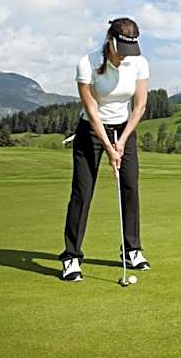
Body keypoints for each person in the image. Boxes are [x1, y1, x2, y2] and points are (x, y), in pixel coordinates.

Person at [60, 18, 150, 282]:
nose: (124, 57)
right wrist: (109, 148)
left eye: (129, 51)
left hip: (125, 129)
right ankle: (71, 257)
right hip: (91, 130)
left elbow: (140, 105)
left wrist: (121, 141)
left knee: (130, 187)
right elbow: (91, 110)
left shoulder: (139, 63)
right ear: (110, 41)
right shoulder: (86, 64)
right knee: (82, 192)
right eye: (120, 49)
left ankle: (132, 250)